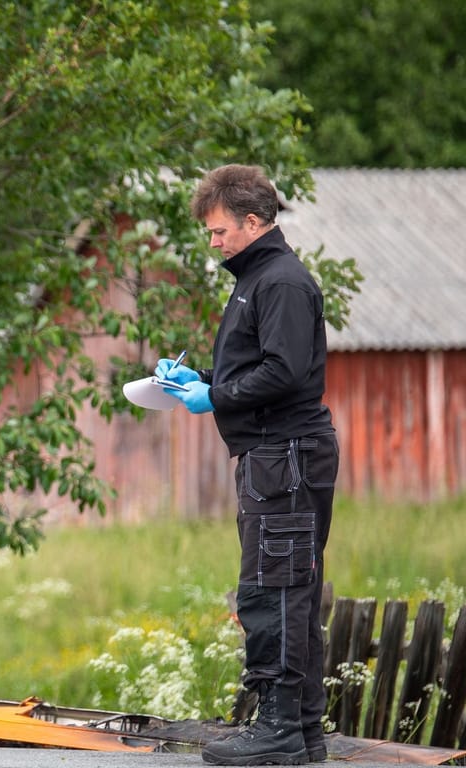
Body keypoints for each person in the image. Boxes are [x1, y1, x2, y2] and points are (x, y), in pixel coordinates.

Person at [156, 164, 340, 765]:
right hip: (272, 455)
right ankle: (304, 733)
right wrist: (201, 380)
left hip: (284, 455)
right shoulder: (255, 280)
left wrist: (218, 396)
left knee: (273, 591)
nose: (211, 243)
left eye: (217, 231)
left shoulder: (279, 282)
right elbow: (259, 368)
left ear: (253, 222)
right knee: (285, 587)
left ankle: (279, 731)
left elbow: (284, 373)